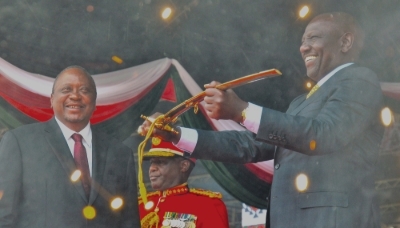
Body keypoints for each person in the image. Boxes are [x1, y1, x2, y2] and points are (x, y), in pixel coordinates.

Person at [139, 12, 384, 227]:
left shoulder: (359, 79)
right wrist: (177, 136)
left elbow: (324, 134)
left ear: (345, 42)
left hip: (332, 220)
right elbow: (249, 145)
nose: (303, 47)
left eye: (313, 38)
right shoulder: (301, 103)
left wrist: (242, 111)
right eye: (302, 41)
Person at [0, 66, 140, 227]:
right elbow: (4, 216)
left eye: (84, 90)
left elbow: (129, 222)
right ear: (51, 100)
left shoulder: (120, 153)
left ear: (95, 102)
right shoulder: (20, 143)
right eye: (66, 89)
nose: (75, 96)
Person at [138, 138, 229, 228]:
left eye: (161, 162)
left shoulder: (207, 206)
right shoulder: (139, 205)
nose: (152, 168)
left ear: (184, 166)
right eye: (152, 163)